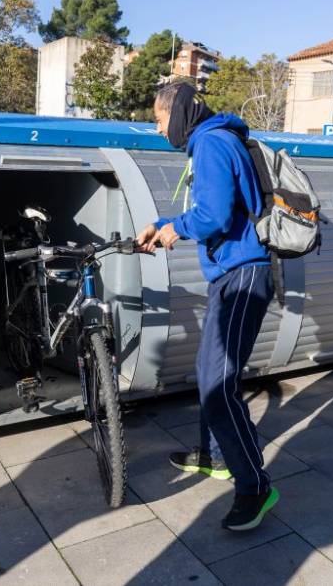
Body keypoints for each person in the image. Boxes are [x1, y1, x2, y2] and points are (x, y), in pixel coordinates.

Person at [135, 82, 278, 531]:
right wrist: (162, 224)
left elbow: (213, 215)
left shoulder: (212, 143)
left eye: (159, 120)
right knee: (207, 373)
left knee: (218, 384)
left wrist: (174, 227)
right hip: (231, 275)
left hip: (242, 276)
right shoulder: (212, 141)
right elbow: (217, 211)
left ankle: (254, 487)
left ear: (178, 114)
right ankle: (214, 454)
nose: (158, 130)